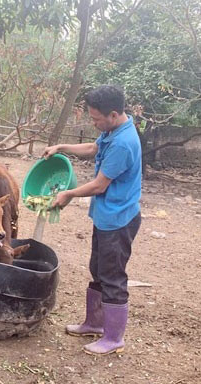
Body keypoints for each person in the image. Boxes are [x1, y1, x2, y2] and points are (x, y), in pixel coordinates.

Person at [42, 85, 142, 355]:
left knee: (112, 276)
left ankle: (113, 338)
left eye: (96, 119)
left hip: (118, 220)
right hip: (106, 216)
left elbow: (99, 186)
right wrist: (61, 147)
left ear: (113, 114)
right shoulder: (112, 131)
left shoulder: (123, 143)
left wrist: (69, 194)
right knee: (98, 270)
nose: (94, 123)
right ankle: (94, 323)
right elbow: (91, 146)